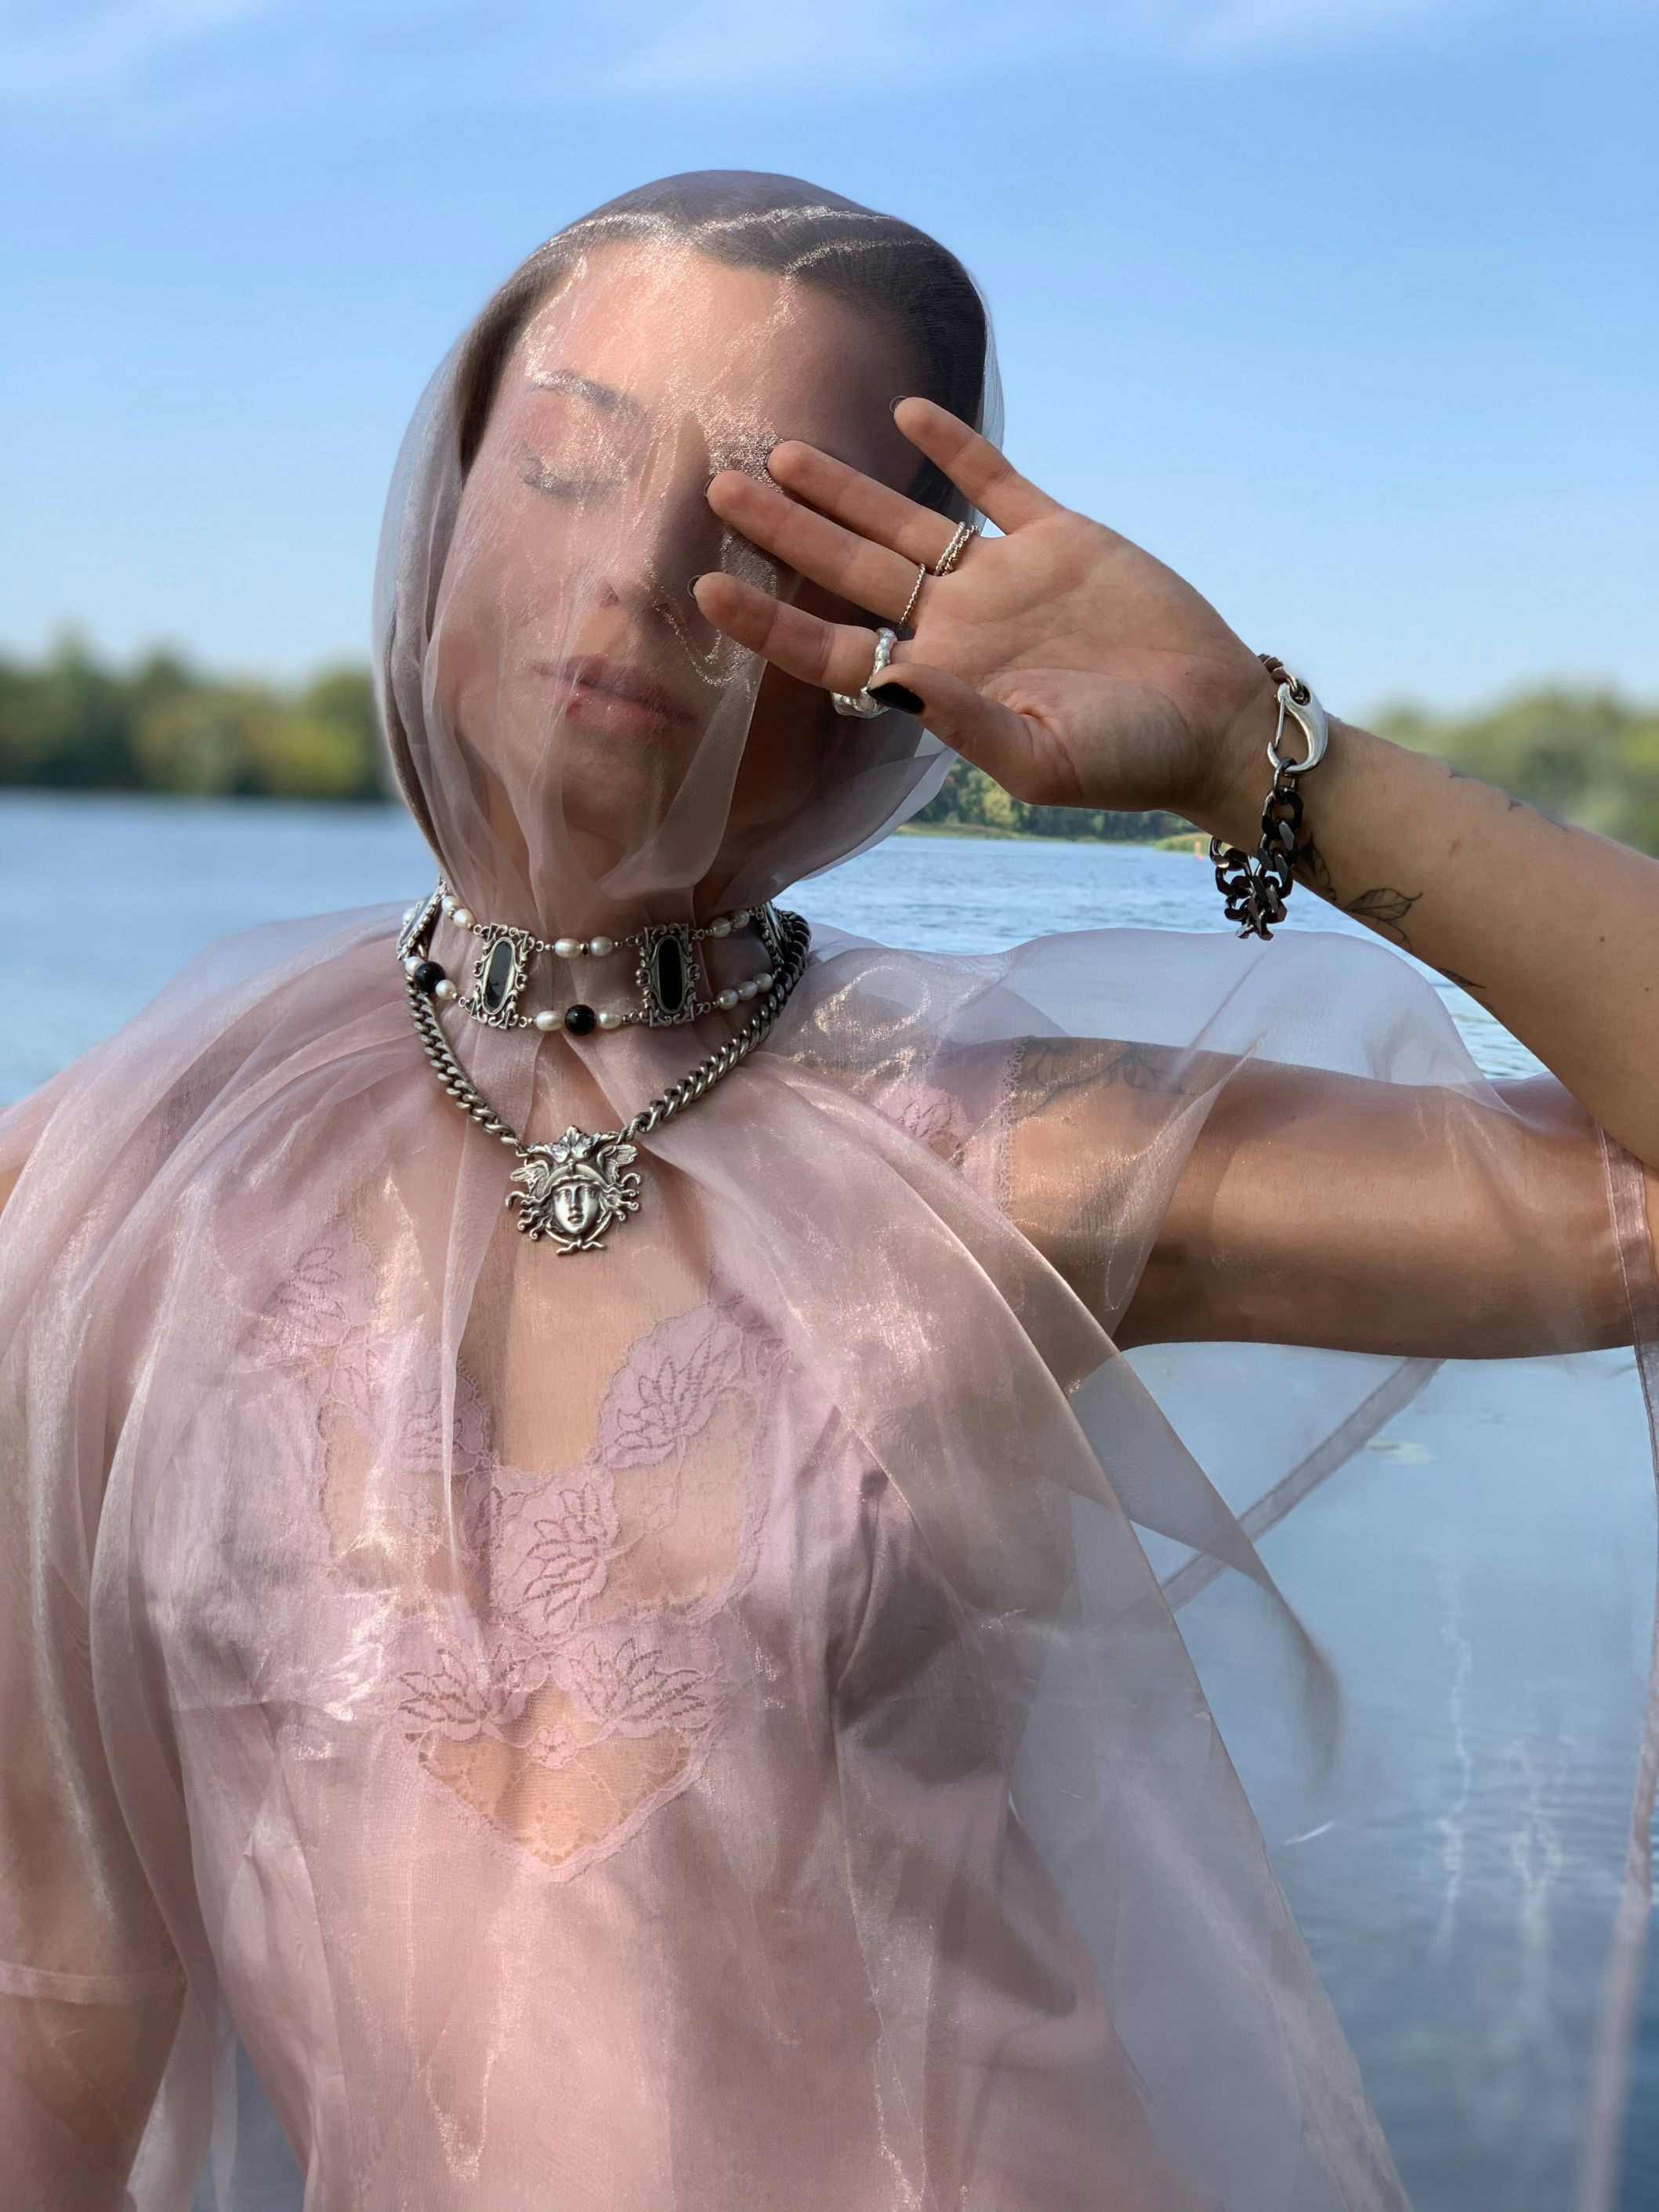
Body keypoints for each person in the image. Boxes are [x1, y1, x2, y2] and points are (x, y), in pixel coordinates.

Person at [2, 171, 1654, 2212]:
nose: (634, 574)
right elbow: (56, 1978)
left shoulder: (976, 1150)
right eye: (570, 469)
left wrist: (1252, 748)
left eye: (767, 523)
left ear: (898, 639)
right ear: (439, 510)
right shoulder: (114, 1177)